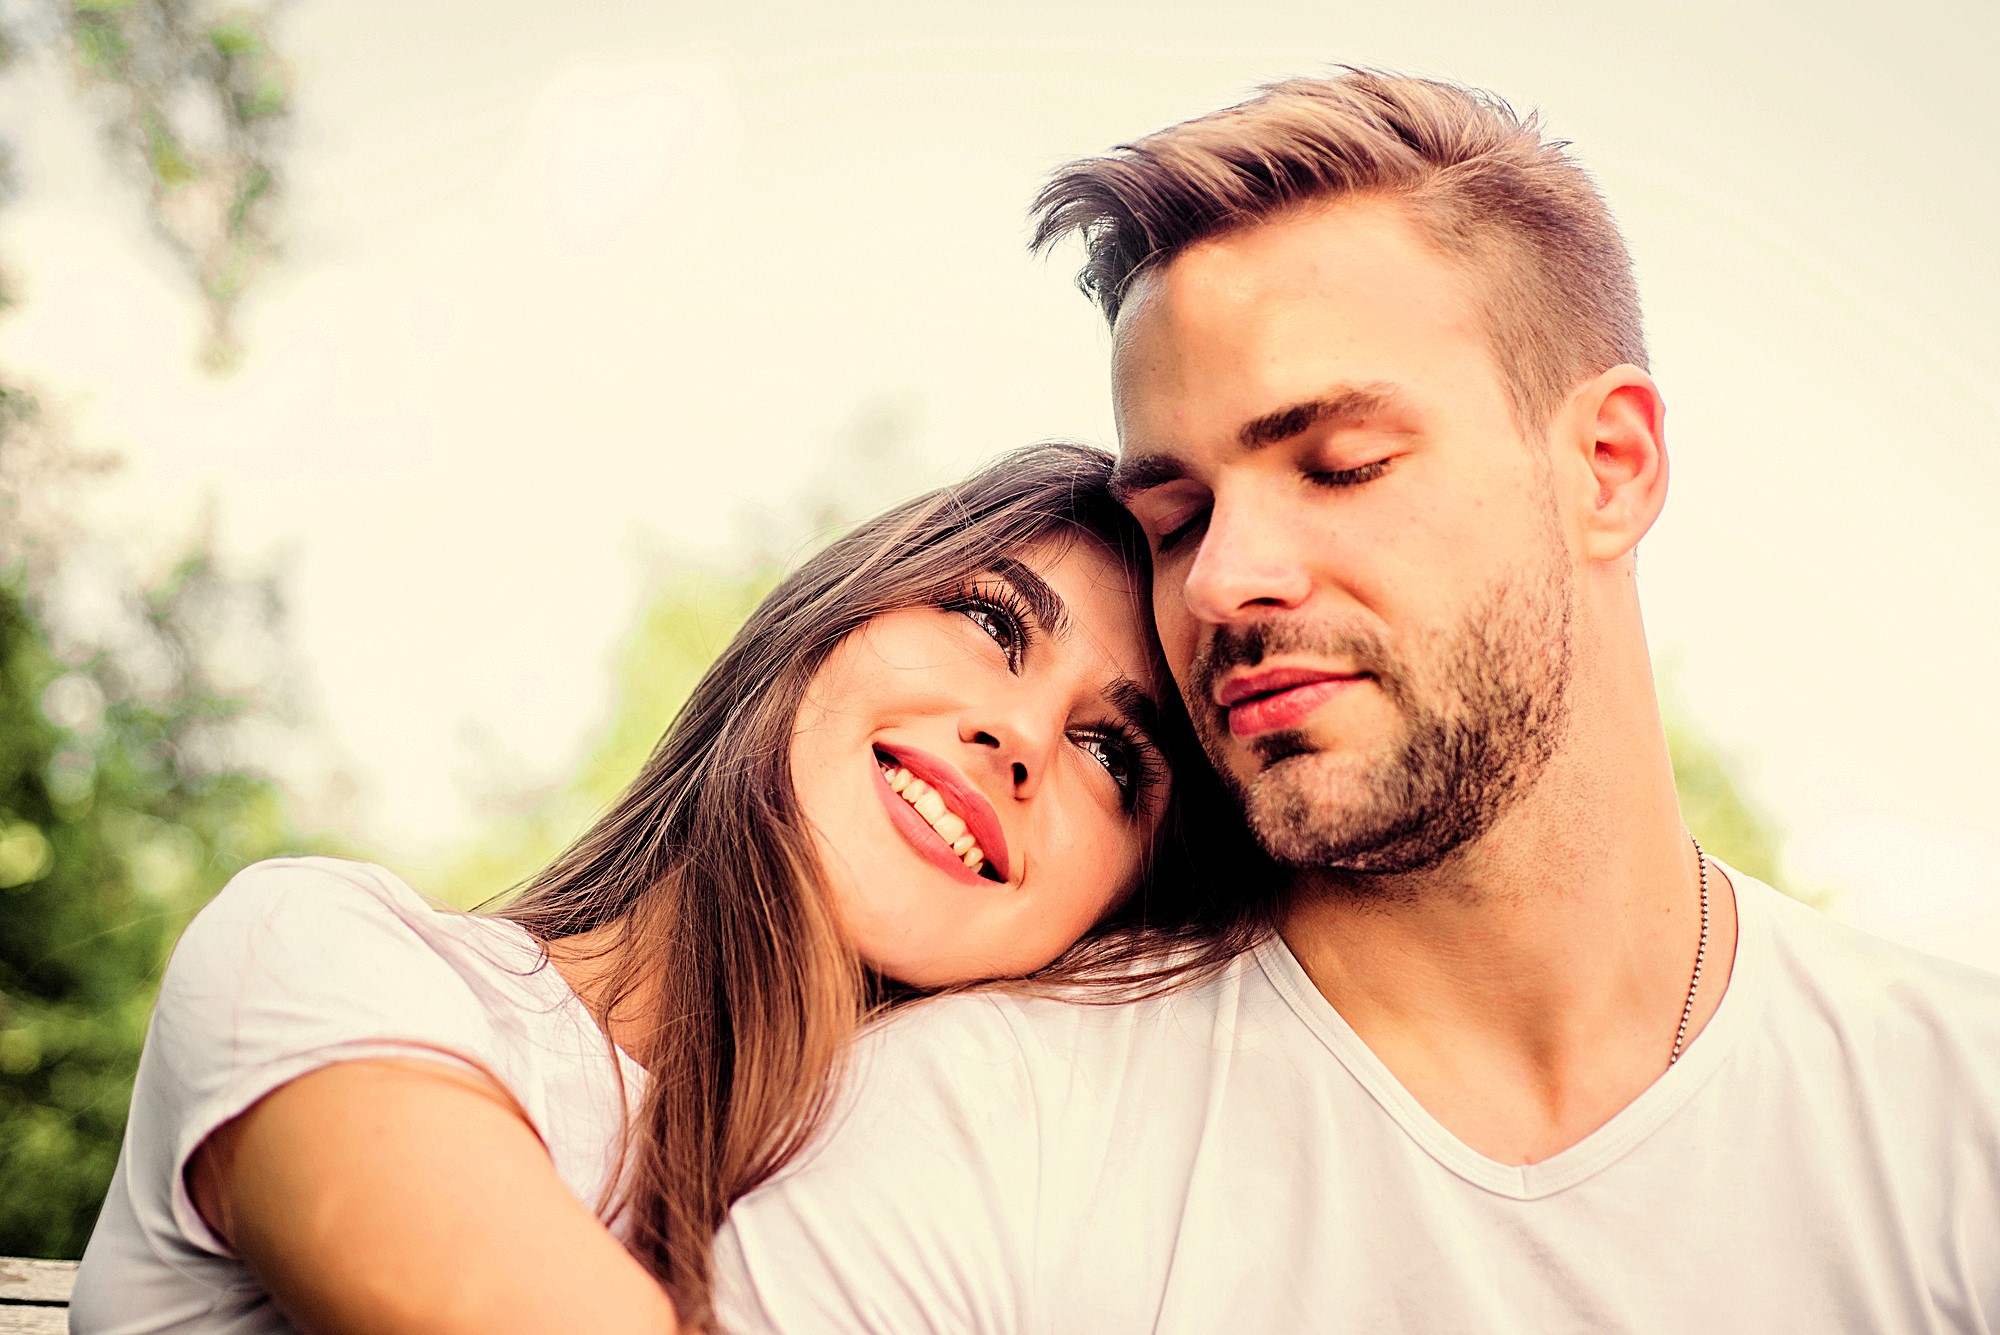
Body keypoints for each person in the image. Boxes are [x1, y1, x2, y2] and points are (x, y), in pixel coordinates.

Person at [711, 70, 2000, 1331]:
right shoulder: (973, 1135)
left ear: (1607, 468)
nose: (1221, 581)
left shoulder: (1956, 1122)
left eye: (1339, 468)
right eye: (1176, 518)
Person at [69, 443, 1265, 1334]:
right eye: (990, 621)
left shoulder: (955, 1197)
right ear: (823, 624)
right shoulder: (322, 958)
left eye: (1117, 755)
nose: (1019, 736)